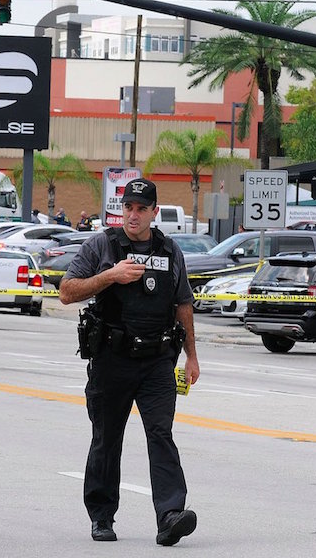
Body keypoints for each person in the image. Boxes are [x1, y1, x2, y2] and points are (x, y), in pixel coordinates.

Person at [59, 177, 200, 546]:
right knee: (107, 438)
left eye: (141, 209)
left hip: (157, 360)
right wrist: (110, 275)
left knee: (161, 434)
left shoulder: (170, 251)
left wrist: (192, 357)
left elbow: (182, 302)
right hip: (112, 359)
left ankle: (170, 515)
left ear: (155, 212)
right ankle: (102, 516)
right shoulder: (102, 245)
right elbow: (66, 291)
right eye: (128, 208)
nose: (133, 215)